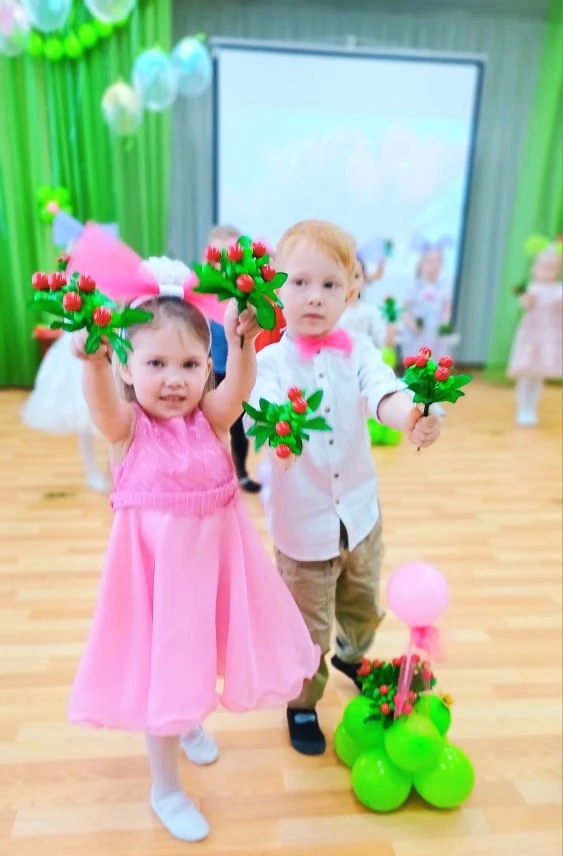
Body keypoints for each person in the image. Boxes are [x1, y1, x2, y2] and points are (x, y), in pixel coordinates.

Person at [66, 252, 320, 842]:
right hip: (157, 584)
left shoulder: (210, 418)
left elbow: (239, 388)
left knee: (203, 653)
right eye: (156, 363)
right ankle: (165, 787)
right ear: (127, 366)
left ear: (208, 366)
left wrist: (244, 344)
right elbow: (100, 401)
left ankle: (189, 723)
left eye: (189, 364)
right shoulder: (128, 429)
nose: (174, 379)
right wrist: (93, 362)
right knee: (167, 671)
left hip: (212, 572)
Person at [246, 220, 442, 756]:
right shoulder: (267, 363)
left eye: (330, 284)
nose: (315, 296)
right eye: (300, 282)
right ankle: (302, 702)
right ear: (277, 289)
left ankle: (353, 656)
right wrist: (280, 441)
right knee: (307, 625)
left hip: (359, 515)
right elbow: (262, 413)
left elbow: (383, 392)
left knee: (361, 600)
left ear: (351, 291)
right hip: (303, 528)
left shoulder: (359, 350)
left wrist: (411, 418)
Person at [206, 224, 262, 493]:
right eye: (220, 255)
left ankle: (240, 473)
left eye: (233, 254)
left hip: (237, 371)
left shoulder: (245, 296)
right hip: (208, 371)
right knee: (208, 426)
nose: (227, 262)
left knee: (239, 427)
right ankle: (211, 475)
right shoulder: (204, 292)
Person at [507, 241, 563, 426]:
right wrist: (525, 298)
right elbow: (525, 304)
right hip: (530, 337)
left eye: (551, 268)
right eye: (543, 267)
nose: (547, 271)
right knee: (525, 375)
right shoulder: (531, 288)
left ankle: (531, 409)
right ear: (535, 268)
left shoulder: (559, 289)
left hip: (548, 338)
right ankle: (522, 408)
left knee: (538, 376)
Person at [401, 239, 452, 358]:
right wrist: (413, 326)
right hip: (416, 337)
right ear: (422, 264)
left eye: (438, 260)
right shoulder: (414, 287)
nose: (435, 265)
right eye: (430, 261)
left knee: (434, 363)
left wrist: (444, 325)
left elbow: (446, 309)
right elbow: (403, 311)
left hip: (436, 338)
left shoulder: (443, 287)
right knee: (418, 364)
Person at [340, 258, 396, 351]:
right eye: (347, 276)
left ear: (364, 279)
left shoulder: (370, 312)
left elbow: (386, 342)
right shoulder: (331, 313)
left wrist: (391, 314)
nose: (351, 282)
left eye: (356, 276)